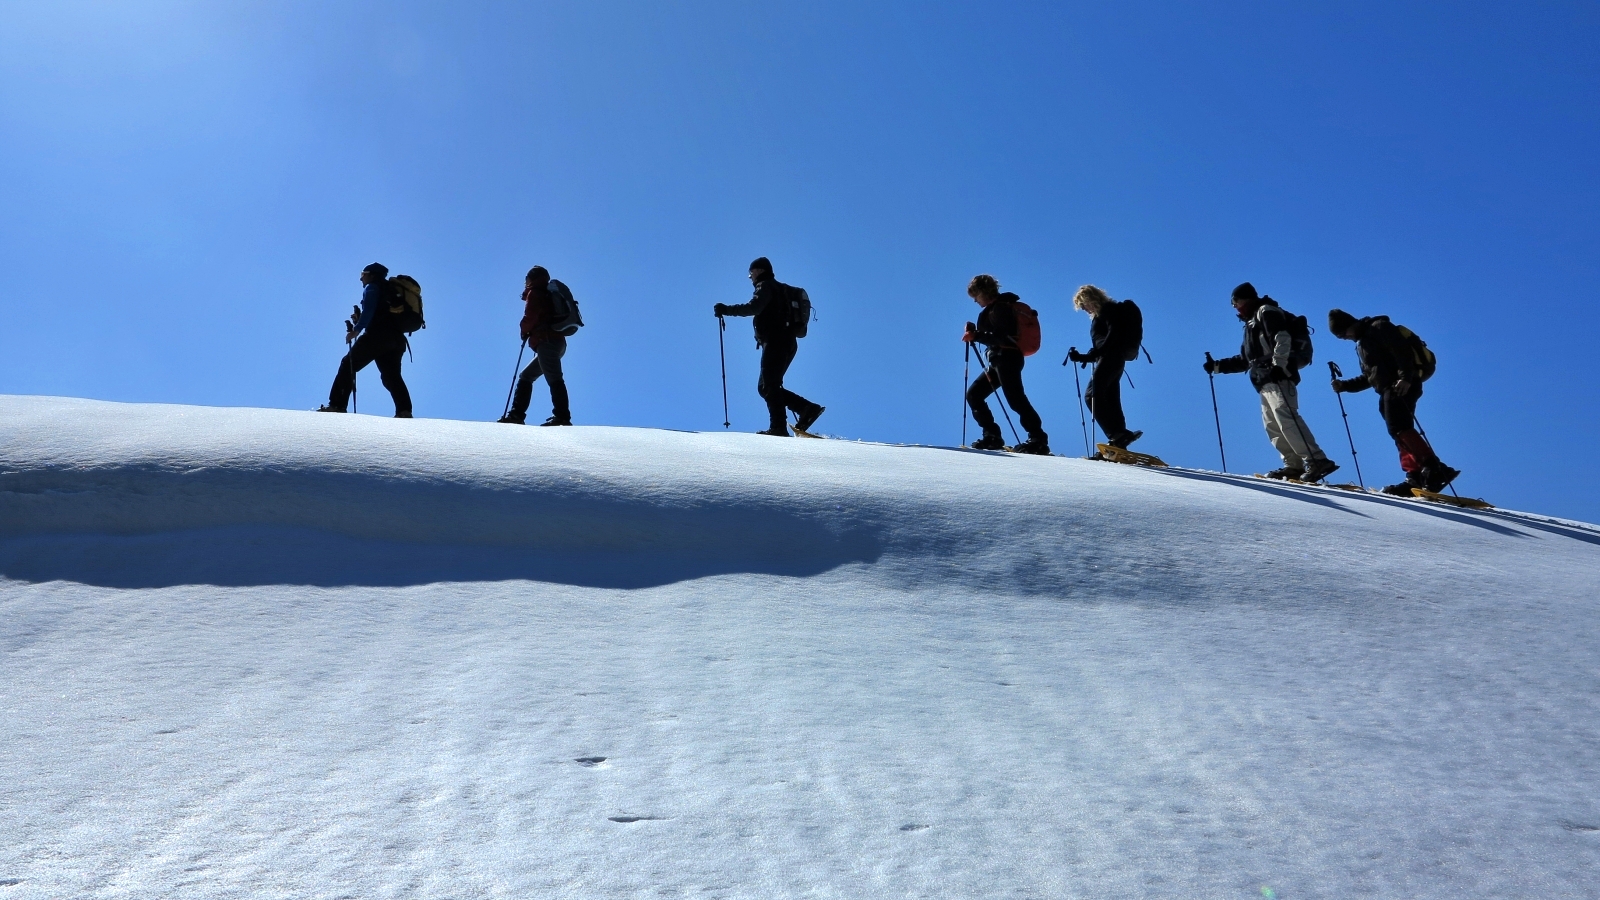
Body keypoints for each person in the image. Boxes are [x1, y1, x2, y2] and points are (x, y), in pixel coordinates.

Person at [1203, 282, 1337, 482]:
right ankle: (1293, 465)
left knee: (1286, 418)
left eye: (1235, 302)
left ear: (1245, 299)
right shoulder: (1251, 324)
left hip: (1277, 374)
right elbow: (1245, 360)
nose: (1235, 307)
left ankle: (1316, 460)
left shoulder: (1266, 312)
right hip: (1263, 379)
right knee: (1272, 425)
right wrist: (1217, 366)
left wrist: (1279, 365)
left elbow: (1282, 338)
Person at [1328, 309, 1459, 495]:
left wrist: (1405, 377)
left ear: (1350, 325)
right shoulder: (1363, 342)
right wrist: (1344, 385)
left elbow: (1402, 351)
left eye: (1342, 334)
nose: (1344, 338)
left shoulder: (1379, 327)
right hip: (1390, 388)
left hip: (1402, 384)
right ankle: (1416, 476)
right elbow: (1370, 377)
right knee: (1398, 428)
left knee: (1399, 426)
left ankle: (1434, 469)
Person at [713, 257, 824, 437]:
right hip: (787, 342)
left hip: (776, 341)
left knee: (770, 385)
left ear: (760, 271)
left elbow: (754, 307)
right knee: (766, 386)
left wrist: (726, 309)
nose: (750, 277)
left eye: (752, 272)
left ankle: (780, 427)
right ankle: (806, 409)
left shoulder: (765, 286)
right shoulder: (780, 288)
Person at [962, 274, 1049, 454]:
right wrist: (976, 333)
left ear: (982, 292)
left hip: (1007, 357)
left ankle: (1037, 439)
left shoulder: (1000, 308)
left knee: (1015, 398)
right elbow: (998, 335)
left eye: (975, 296)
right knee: (975, 395)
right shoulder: (997, 308)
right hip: (999, 359)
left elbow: (1003, 336)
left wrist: (976, 335)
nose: (975, 301)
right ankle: (993, 436)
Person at [319, 262, 413, 417]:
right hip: (397, 340)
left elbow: (369, 311)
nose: (361, 279)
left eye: (363, 274)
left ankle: (337, 405)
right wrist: (359, 320)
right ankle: (404, 411)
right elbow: (379, 314)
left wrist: (356, 330)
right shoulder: (389, 290)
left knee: (348, 364)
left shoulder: (373, 287)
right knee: (391, 375)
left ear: (371, 274)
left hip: (378, 336)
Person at [1065, 284, 1142, 452]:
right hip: (1114, 359)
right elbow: (1105, 343)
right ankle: (1120, 436)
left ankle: (1117, 434)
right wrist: (1085, 357)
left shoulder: (1108, 310)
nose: (1084, 309)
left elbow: (1113, 334)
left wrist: (1095, 353)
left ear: (1091, 300)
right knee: (1110, 397)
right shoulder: (1107, 312)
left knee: (1091, 396)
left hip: (1111, 358)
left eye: (1083, 304)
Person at [498, 266, 572, 426]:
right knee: (526, 376)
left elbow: (530, 316)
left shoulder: (536, 293)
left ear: (531, 279)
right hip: (557, 343)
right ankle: (517, 415)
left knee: (554, 378)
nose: (526, 282)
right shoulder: (548, 293)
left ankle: (562, 417)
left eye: (527, 279)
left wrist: (523, 330)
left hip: (547, 342)